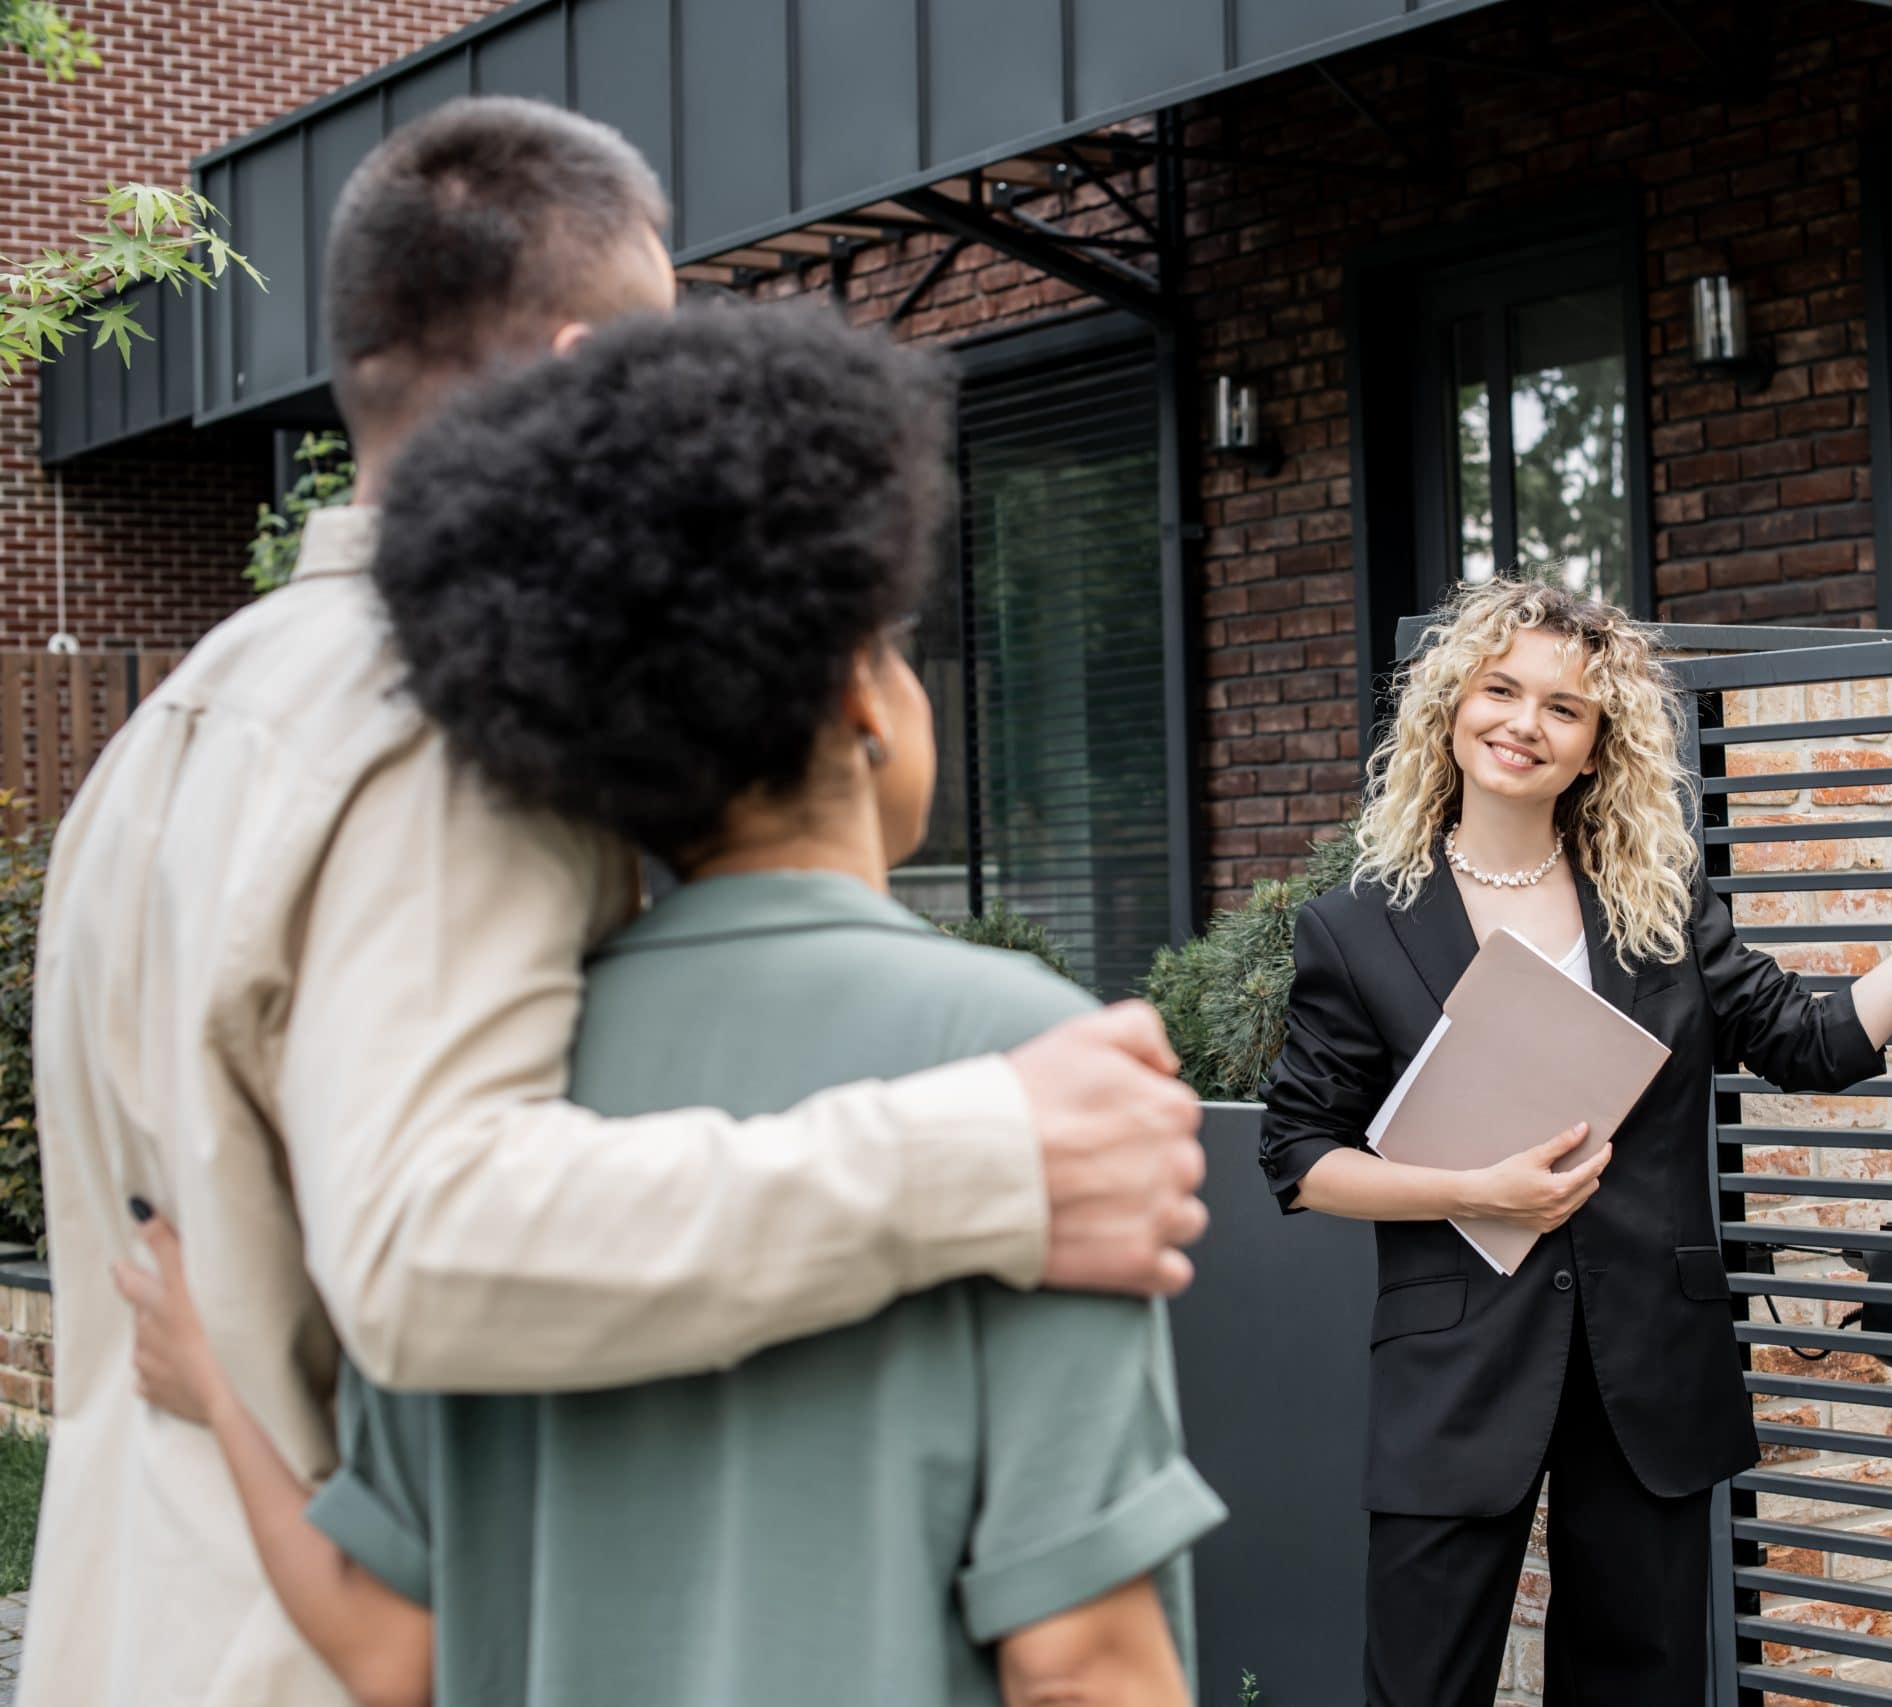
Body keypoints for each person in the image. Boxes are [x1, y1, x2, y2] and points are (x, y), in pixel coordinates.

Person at [30, 98, 1205, 1707]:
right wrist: (989, 1149)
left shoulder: (175, 726)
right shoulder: (442, 726)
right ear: (587, 378)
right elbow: (428, 1242)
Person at [1259, 579, 1892, 1706]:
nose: (1524, 724)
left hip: (1649, 1365)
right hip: (1455, 1366)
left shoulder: (1654, 909)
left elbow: (1814, 1042)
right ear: (1450, 709)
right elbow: (1300, 1154)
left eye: (1564, 709)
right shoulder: (1355, 927)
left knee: (1645, 1685)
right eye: (1500, 689)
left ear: (1595, 747)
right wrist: (1476, 1188)